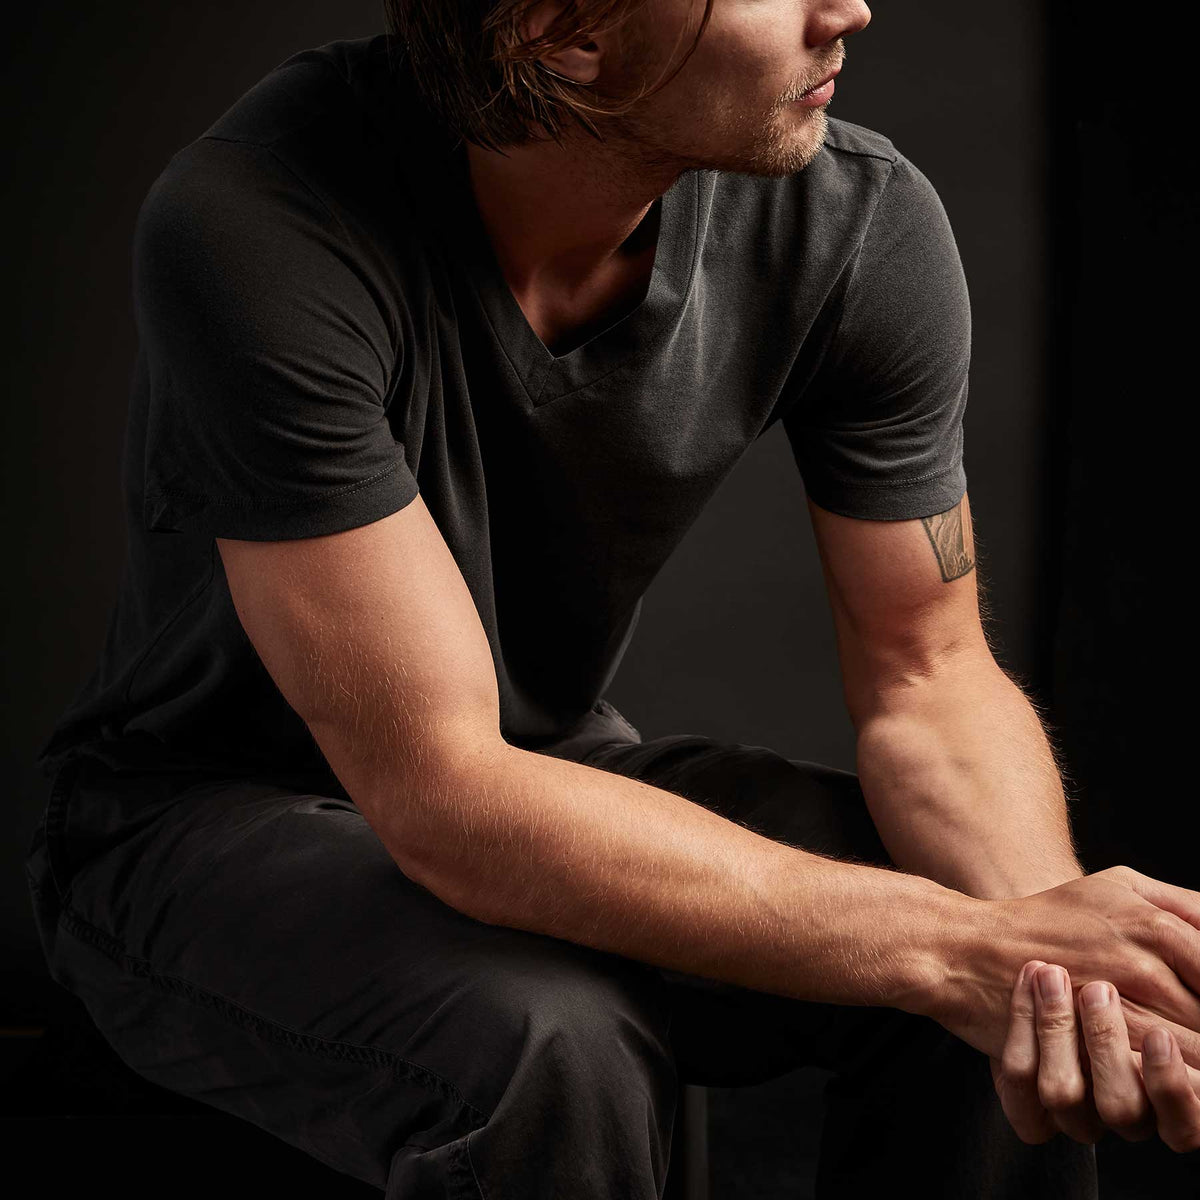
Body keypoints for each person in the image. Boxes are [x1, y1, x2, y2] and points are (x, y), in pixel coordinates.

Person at [24, 2, 1198, 1195]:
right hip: (196, 822)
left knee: (1008, 979)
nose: (846, 8)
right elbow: (442, 793)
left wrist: (1062, 966)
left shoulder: (857, 222)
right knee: (561, 1044)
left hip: (543, 769)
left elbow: (929, 669)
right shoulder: (258, 220)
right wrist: (962, 951)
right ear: (565, 31)